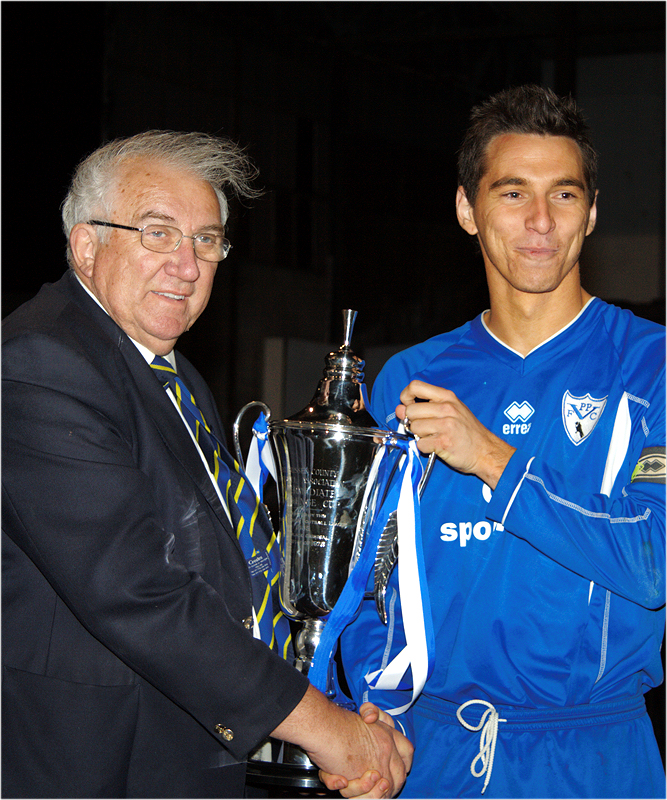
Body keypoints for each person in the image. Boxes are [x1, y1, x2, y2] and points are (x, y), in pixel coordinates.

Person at [1, 130, 412, 799]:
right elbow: (138, 592)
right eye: (158, 233)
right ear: (85, 245)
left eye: (207, 240)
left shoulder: (172, 373)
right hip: (89, 770)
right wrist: (324, 729)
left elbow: (228, 577)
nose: (188, 266)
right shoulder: (39, 367)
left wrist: (317, 701)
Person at [338, 85, 665, 797]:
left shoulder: (650, 365)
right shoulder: (411, 376)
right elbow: (370, 581)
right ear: (466, 208)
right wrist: (372, 705)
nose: (540, 221)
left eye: (564, 195)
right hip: (434, 754)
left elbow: (652, 563)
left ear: (593, 212)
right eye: (512, 194)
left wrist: (490, 458)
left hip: (593, 756)